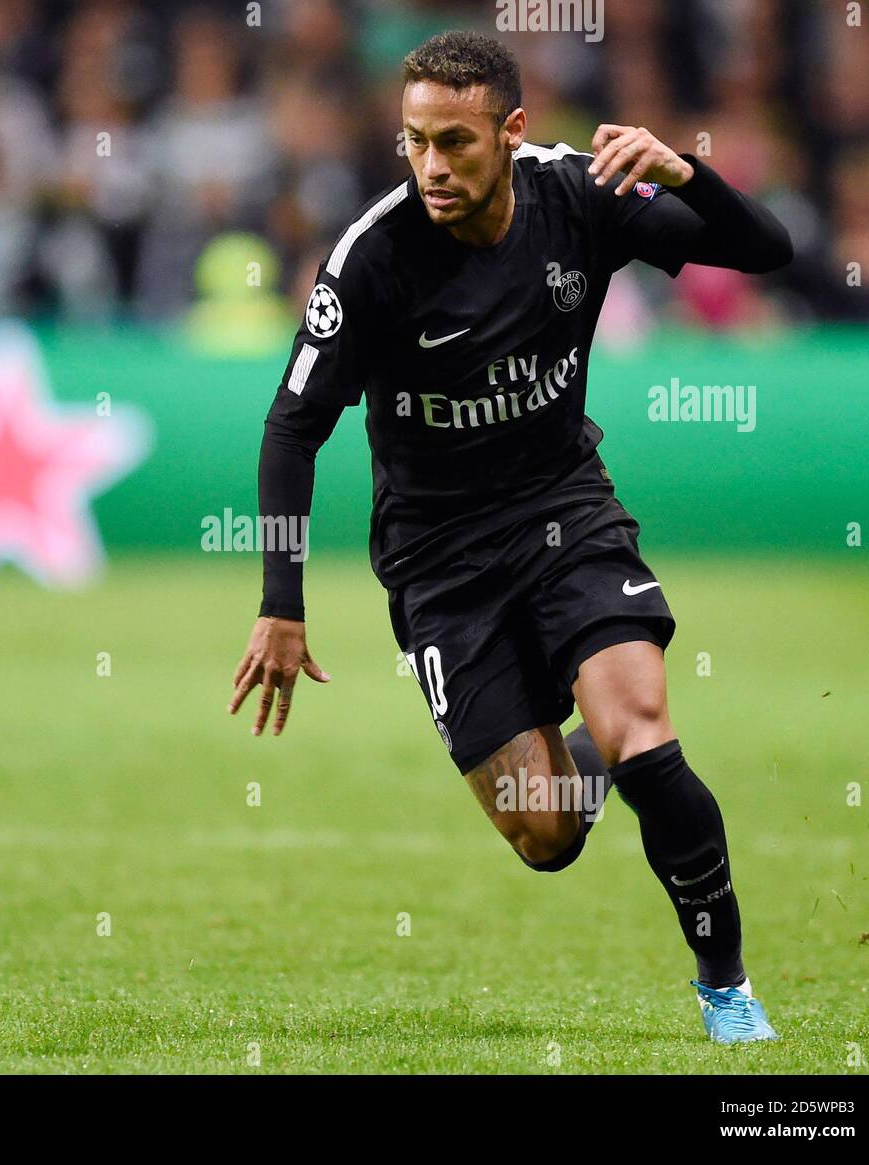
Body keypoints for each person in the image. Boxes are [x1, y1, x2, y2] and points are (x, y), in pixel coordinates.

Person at [229, 30, 792, 1044]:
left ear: (513, 130)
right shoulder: (372, 257)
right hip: (439, 561)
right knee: (546, 832)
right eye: (413, 143)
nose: (432, 167)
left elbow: (767, 252)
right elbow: (291, 428)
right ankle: (598, 752)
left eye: (455, 141)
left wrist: (686, 171)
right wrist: (280, 602)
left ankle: (726, 987)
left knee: (643, 728)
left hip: (562, 509)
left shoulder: (576, 194)